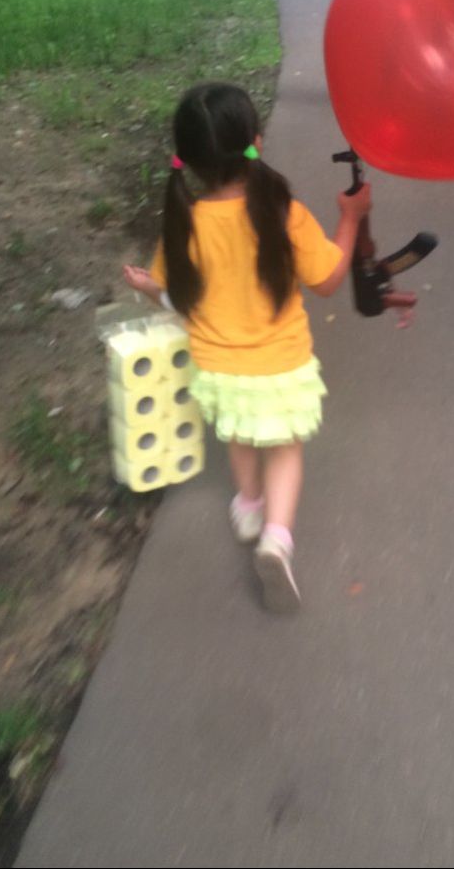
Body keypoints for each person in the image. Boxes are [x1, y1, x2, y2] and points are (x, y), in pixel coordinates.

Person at [123, 82, 373, 614]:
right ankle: (276, 539)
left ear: (186, 159)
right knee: (283, 448)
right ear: (256, 142)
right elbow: (328, 279)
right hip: (281, 366)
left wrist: (147, 287)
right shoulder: (283, 212)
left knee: (239, 433)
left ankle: (248, 506)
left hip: (218, 369)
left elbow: (177, 297)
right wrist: (351, 218)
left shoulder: (185, 223)